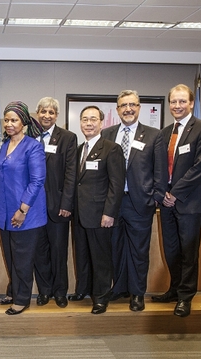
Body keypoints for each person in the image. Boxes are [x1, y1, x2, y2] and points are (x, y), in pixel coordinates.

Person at [101, 90, 168, 312]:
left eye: (132, 105)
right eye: (123, 105)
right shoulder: (107, 134)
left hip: (140, 203)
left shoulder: (154, 135)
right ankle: (119, 287)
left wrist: (156, 198)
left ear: (139, 108)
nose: (128, 109)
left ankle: (137, 293)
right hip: (113, 203)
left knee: (139, 251)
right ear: (117, 109)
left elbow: (160, 170)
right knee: (115, 248)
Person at [152, 84, 201, 318]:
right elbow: (158, 168)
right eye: (173, 102)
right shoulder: (165, 132)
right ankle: (175, 289)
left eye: (182, 101)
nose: (177, 106)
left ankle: (186, 297)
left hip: (189, 201)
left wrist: (175, 193)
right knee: (171, 250)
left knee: (189, 251)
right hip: (166, 202)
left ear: (190, 103)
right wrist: (162, 194)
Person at [0, 101, 47, 315]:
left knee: (23, 259)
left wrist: (22, 210)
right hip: (6, 213)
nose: (9, 124)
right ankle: (14, 290)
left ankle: (22, 298)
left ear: (24, 122)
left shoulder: (33, 146)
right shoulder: (4, 145)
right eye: (6, 120)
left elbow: (37, 181)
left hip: (26, 214)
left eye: (14, 120)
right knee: (11, 257)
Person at [72, 105, 125, 314]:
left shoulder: (111, 148)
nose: (89, 123)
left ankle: (101, 297)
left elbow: (116, 185)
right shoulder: (79, 149)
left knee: (101, 258)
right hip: (79, 215)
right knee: (82, 255)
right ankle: (83, 290)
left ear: (102, 123)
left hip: (100, 215)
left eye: (93, 119)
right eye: (85, 119)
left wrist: (109, 213)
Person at [33, 97, 77, 309]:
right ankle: (44, 291)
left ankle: (60, 291)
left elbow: (71, 174)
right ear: (37, 113)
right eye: (43, 111)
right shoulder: (29, 136)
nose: (47, 116)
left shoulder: (68, 138)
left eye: (51, 112)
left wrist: (67, 203)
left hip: (58, 206)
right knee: (39, 251)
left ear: (57, 116)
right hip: (33, 207)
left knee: (59, 251)